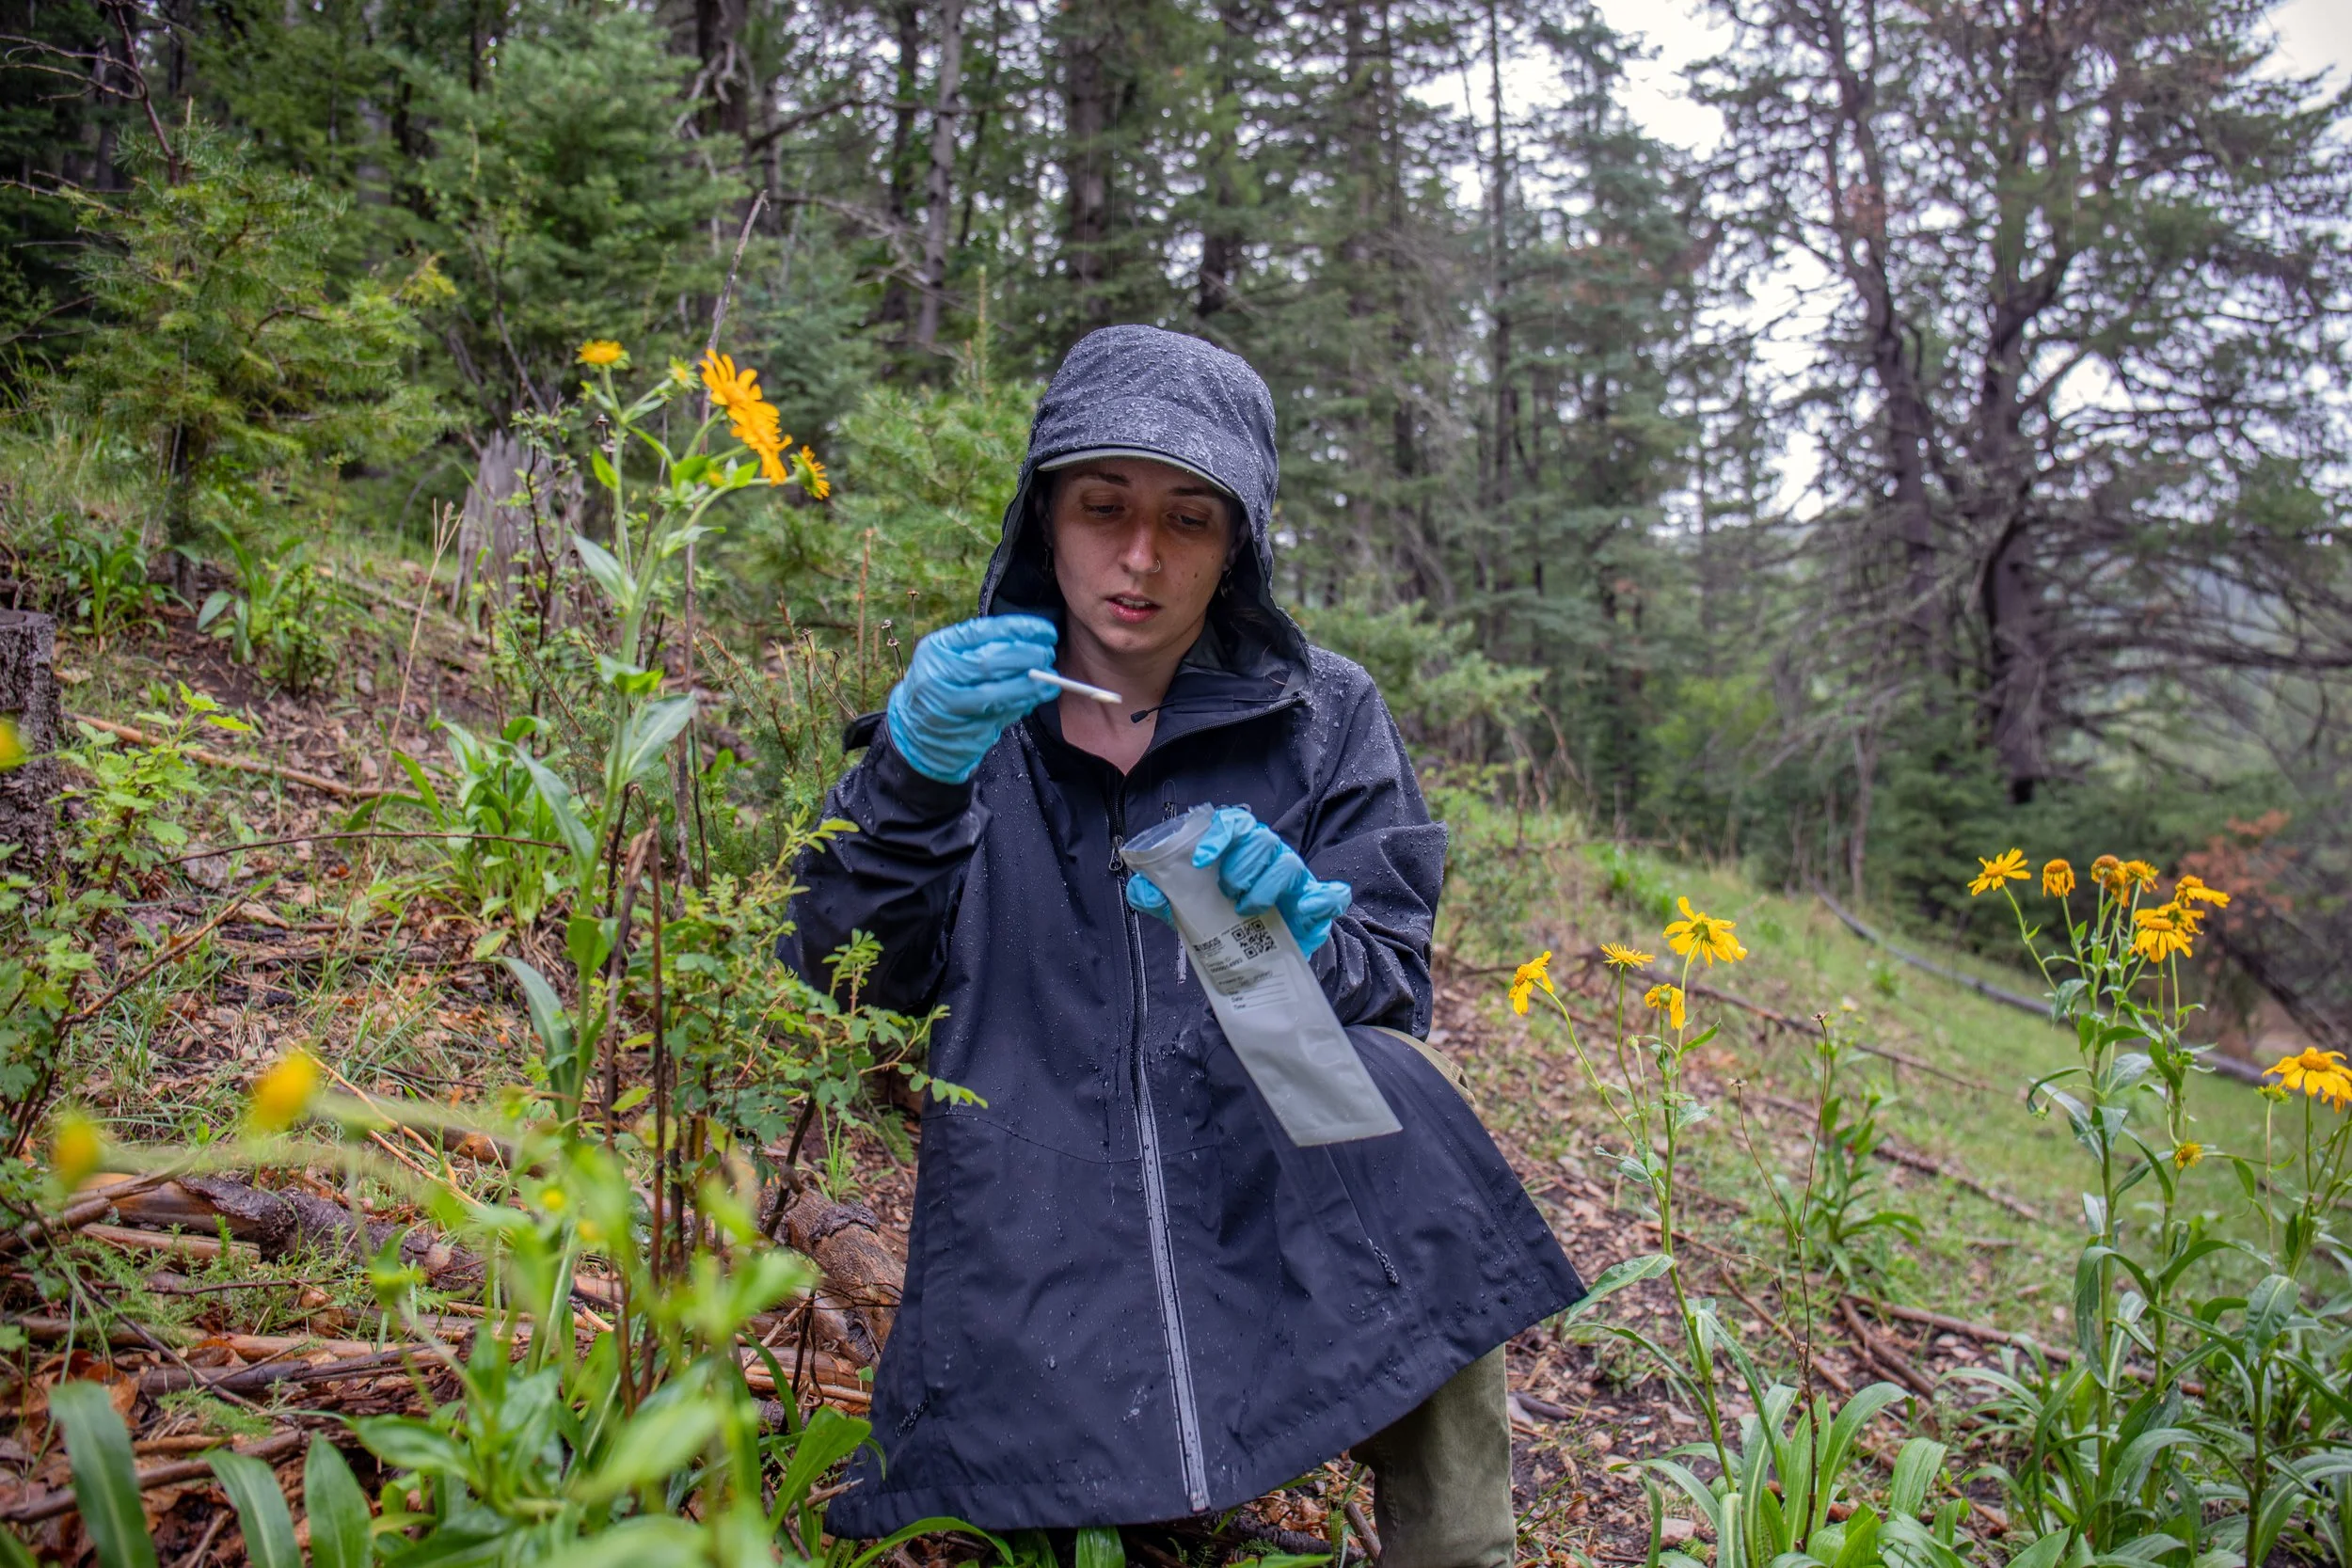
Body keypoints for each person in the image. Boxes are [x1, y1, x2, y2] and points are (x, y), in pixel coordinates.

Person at [779, 325, 1583, 1565]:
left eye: (1191, 518)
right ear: (1047, 513)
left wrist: (1304, 933)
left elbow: (1391, 984)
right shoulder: (972, 711)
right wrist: (910, 779)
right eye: (1104, 506)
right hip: (1033, 1195)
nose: (1141, 555)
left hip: (1265, 1188)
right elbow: (847, 962)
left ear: (1239, 543)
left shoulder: (1326, 717)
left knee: (1407, 1097)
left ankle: (1459, 1548)